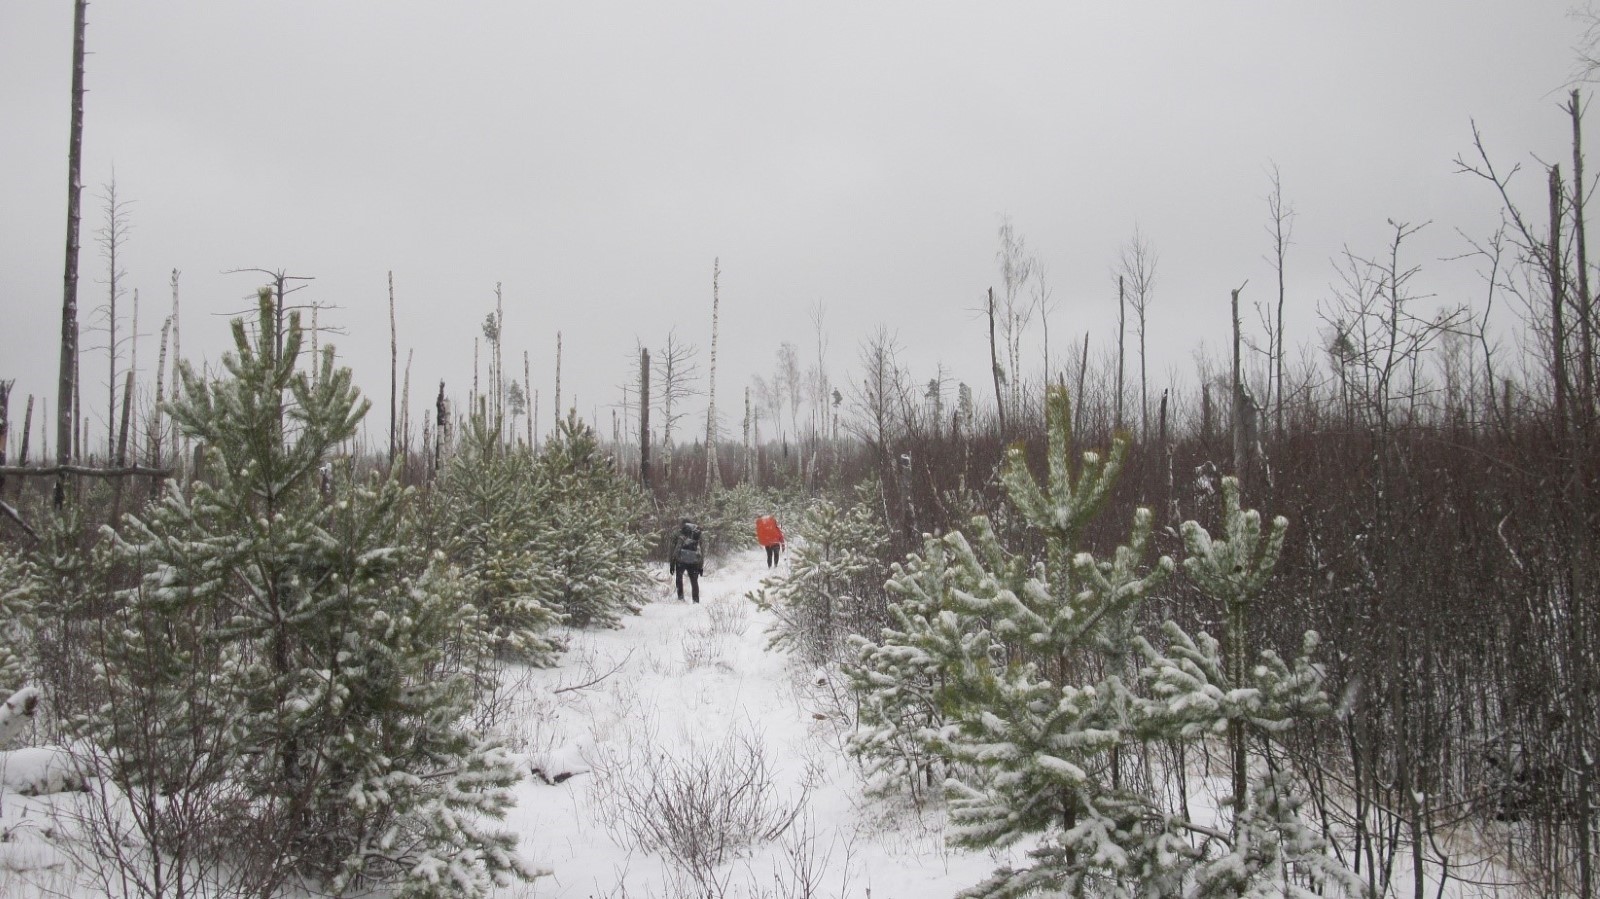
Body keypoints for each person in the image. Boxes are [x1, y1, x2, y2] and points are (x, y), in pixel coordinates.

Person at [668, 518, 704, 602]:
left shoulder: (677, 533)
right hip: (694, 562)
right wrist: (700, 566)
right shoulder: (696, 534)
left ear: (682, 524)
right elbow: (701, 551)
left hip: (680, 561)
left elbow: (672, 549)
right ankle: (696, 600)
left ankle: (680, 598)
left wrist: (672, 564)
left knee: (679, 578)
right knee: (694, 581)